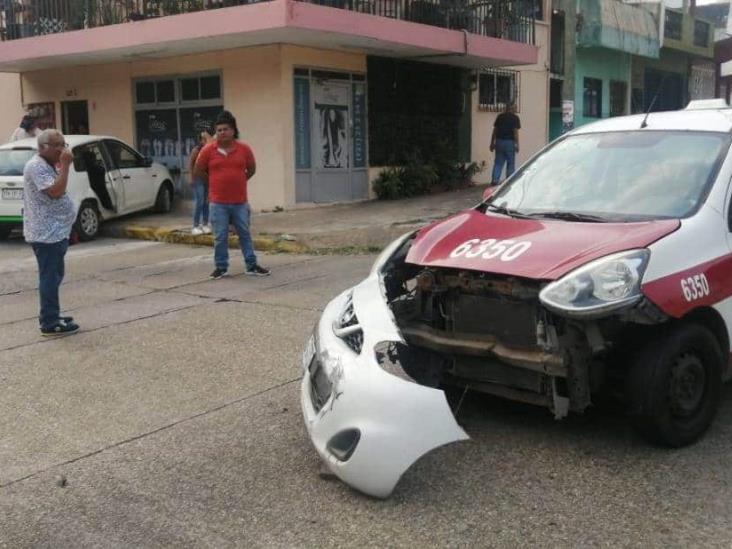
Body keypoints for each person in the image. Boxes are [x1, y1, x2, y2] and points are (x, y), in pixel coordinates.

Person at [194, 111, 270, 279]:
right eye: (219, 130)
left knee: (244, 233)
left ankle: (251, 265)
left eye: (225, 129)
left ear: (233, 130)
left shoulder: (244, 149)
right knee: (220, 236)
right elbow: (198, 170)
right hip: (218, 202)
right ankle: (221, 267)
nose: (222, 132)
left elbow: (251, 169)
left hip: (239, 201)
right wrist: (213, 181)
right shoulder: (208, 150)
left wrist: (240, 181)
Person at [23, 129, 80, 336]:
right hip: (45, 234)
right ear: (42, 147)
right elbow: (56, 192)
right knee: (50, 277)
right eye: (58, 145)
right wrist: (64, 166)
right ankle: (49, 322)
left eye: (63, 144)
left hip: (55, 231)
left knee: (55, 275)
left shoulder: (47, 165)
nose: (62, 149)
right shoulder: (36, 166)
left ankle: (51, 314)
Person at [489, 103, 521, 185]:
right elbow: (515, 132)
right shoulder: (515, 118)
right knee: (510, 163)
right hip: (510, 143)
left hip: (499, 142)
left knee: (498, 163)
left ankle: (494, 181)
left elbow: (495, 131)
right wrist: (517, 144)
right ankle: (509, 183)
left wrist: (492, 143)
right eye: (515, 108)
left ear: (506, 109)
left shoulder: (500, 117)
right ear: (512, 109)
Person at [188, 130, 213, 236]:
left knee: (207, 201)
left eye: (206, 137)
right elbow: (190, 165)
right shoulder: (196, 150)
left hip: (207, 178)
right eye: (202, 138)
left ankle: (205, 223)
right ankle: (195, 225)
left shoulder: (210, 150)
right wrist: (191, 178)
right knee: (200, 201)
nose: (205, 140)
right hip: (198, 178)